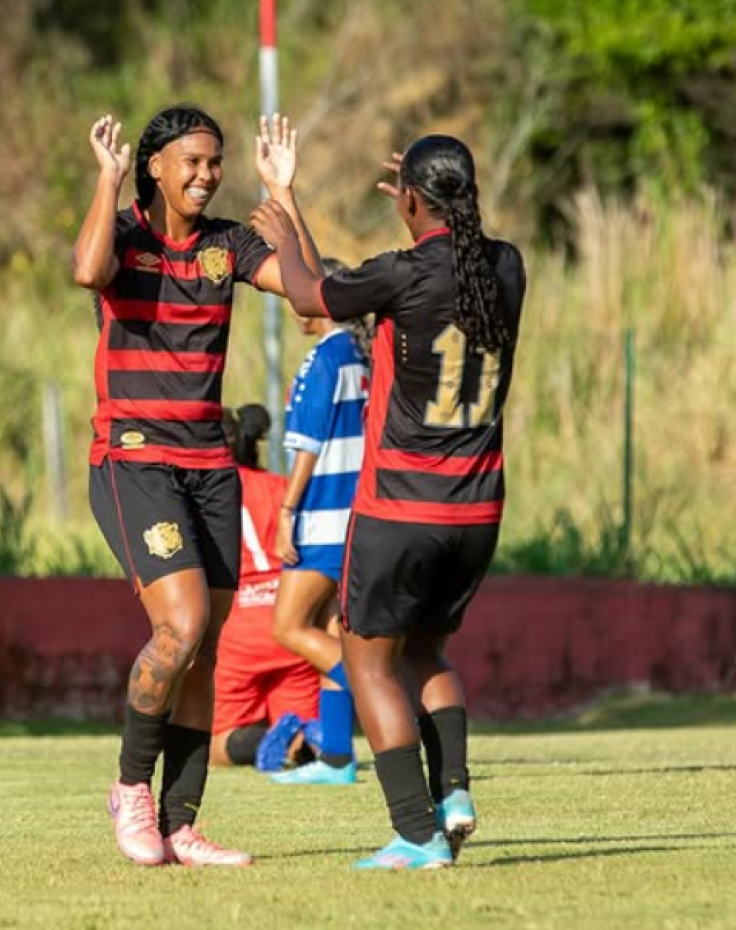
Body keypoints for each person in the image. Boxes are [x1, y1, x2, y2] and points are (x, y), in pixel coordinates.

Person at [250, 135, 526, 869]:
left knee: (368, 661)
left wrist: (285, 204)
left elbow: (312, 296)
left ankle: (414, 830)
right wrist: (429, 186)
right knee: (427, 651)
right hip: (478, 512)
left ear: (408, 200)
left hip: (402, 508)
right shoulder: (507, 266)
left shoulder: (401, 274)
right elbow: (450, 257)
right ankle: (455, 795)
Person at [72, 106, 323, 868]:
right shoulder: (125, 234)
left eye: (215, 163)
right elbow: (87, 270)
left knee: (205, 650)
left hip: (210, 468)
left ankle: (182, 824)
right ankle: (130, 790)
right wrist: (106, 180)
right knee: (178, 627)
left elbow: (312, 299)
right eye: (192, 161)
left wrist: (286, 200)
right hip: (132, 458)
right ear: (155, 166)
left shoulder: (229, 246)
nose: (207, 175)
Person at [267, 258, 371, 786]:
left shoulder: (323, 359)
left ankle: (372, 687)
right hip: (360, 517)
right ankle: (336, 758)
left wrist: (287, 511)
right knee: (332, 628)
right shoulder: (363, 355)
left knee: (288, 626)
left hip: (324, 518)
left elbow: (306, 446)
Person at [210, 404, 320, 771]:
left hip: (235, 633)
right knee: (304, 724)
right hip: (291, 622)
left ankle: (268, 742)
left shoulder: (199, 496)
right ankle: (301, 743)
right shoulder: (282, 489)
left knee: (217, 743)